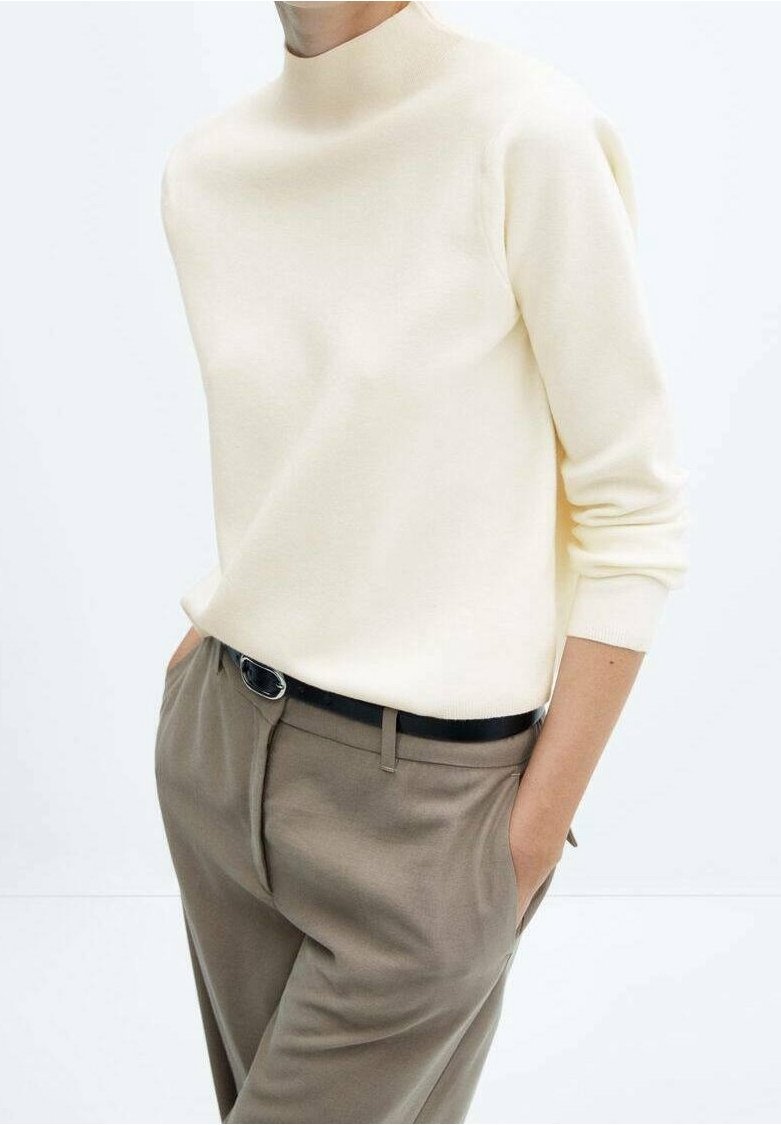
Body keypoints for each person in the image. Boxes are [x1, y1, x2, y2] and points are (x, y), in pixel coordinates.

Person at [153, 2, 690, 1121]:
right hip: (219, 747)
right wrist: (216, 639)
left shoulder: (523, 132)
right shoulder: (207, 171)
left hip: (426, 812)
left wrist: (519, 852)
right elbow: (312, 461)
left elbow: (632, 510)